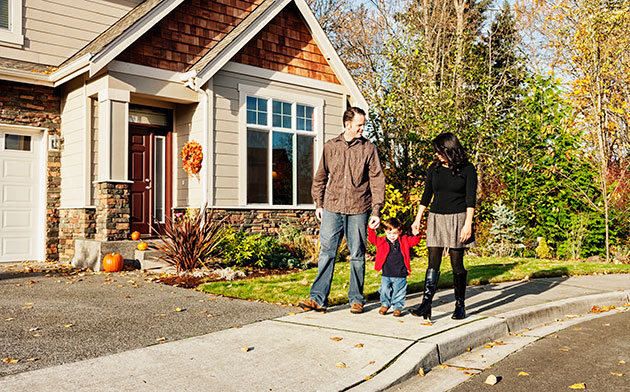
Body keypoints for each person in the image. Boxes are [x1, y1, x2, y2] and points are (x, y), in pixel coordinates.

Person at [299, 107, 385, 314]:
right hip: (332, 206)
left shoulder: (369, 149)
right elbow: (320, 177)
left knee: (357, 254)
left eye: (363, 124)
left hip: (359, 208)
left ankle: (356, 299)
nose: (362, 128)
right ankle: (318, 299)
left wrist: (376, 210)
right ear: (347, 124)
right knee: (327, 252)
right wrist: (318, 204)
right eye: (359, 125)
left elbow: (377, 180)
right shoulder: (330, 146)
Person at [409, 132, 477, 320]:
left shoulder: (468, 169)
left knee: (457, 264)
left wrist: (467, 225)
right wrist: (418, 219)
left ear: (450, 150)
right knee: (433, 263)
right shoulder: (434, 168)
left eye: (440, 151)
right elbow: (426, 194)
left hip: (458, 218)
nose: (437, 155)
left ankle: (460, 305)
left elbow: (471, 199)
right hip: (436, 218)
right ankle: (426, 304)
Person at [368, 217, 420, 317]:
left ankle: (397, 307)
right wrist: (371, 229)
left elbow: (415, 241)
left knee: (399, 292)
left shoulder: (404, 240)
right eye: (389, 233)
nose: (392, 236)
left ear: (400, 232)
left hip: (401, 273)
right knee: (384, 290)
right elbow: (372, 239)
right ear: (385, 232)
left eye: (395, 233)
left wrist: (417, 234)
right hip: (387, 273)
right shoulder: (382, 242)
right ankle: (385, 304)